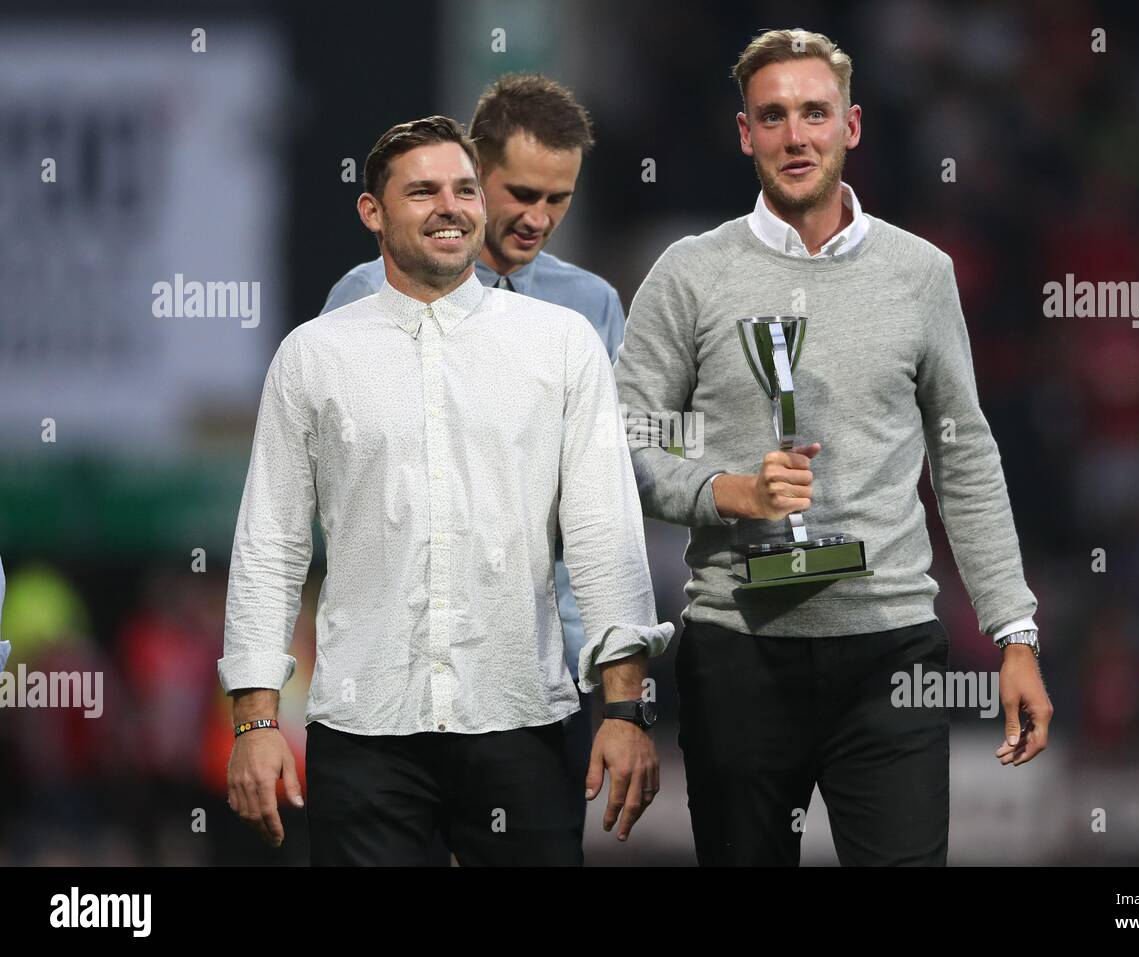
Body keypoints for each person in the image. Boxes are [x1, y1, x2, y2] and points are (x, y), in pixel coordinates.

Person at [614, 28, 1053, 866]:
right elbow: (629, 441)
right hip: (737, 646)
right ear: (745, 134)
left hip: (891, 649)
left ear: (852, 125)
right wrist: (727, 492)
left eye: (814, 113)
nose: (795, 135)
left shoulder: (920, 272)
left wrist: (1016, 632)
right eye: (772, 116)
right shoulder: (689, 274)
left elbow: (964, 456)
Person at [220, 116, 671, 866]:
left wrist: (625, 708)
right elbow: (270, 546)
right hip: (364, 731)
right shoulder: (313, 355)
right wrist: (255, 723)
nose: (450, 206)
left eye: (464, 189)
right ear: (373, 212)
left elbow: (605, 535)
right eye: (423, 191)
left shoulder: (561, 344)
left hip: (523, 722)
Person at [321, 76, 623, 836]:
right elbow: (327, 491)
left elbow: (609, 492)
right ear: (473, 172)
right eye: (520, 191)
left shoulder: (591, 308)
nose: (538, 217)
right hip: (394, 670)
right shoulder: (361, 297)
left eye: (559, 198)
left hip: (541, 672)